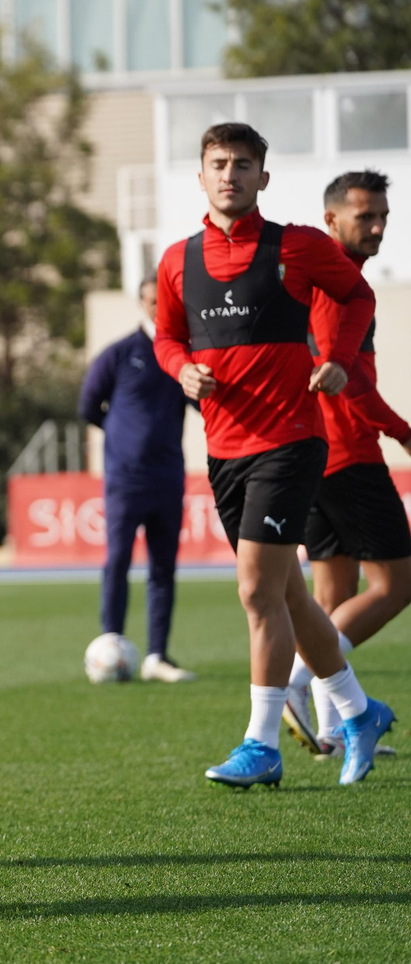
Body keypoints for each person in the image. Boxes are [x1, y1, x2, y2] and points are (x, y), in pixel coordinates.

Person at [154, 122, 395, 789]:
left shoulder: (298, 247)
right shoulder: (177, 260)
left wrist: (341, 361)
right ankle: (358, 710)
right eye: (218, 163)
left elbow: (358, 295)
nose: (230, 174)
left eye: (243, 164)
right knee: (289, 595)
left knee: (259, 589)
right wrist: (181, 370)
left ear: (264, 177)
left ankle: (261, 745)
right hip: (224, 449)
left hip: (291, 440)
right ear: (200, 176)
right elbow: (166, 336)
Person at [284, 170, 410, 758]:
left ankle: (335, 727)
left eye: (383, 213)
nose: (379, 225)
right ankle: (297, 682)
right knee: (397, 584)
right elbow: (347, 378)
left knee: (333, 596)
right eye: (366, 216)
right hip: (348, 454)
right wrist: (404, 433)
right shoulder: (338, 285)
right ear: (331, 219)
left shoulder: (324, 280)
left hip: (312, 455)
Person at [78, 277, 197, 683]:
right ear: (141, 303)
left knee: (163, 568)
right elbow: (88, 406)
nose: (158, 309)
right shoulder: (119, 354)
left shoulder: (183, 357)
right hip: (126, 479)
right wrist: (122, 440)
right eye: (152, 301)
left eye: (165, 302)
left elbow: (205, 402)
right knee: (118, 561)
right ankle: (111, 643)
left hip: (168, 476)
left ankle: (157, 656)